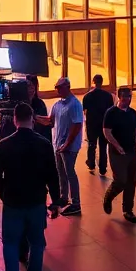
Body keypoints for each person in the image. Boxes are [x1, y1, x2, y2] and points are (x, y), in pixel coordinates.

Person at [0, 102, 60, 271]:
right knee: (37, 243)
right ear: (32, 118)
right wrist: (55, 201)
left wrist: (4, 193)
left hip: (13, 201)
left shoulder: (4, 145)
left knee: (11, 243)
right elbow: (52, 175)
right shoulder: (44, 144)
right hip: (37, 201)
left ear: (14, 119)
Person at [43, 77, 84, 216]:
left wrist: (67, 144)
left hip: (69, 147)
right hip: (58, 145)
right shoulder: (57, 105)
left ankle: (76, 203)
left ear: (67, 87)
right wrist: (34, 116)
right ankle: (63, 197)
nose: (58, 90)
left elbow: (77, 125)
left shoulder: (75, 104)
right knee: (61, 172)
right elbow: (50, 121)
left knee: (70, 173)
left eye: (60, 88)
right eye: (57, 88)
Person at [101, 86, 136, 223]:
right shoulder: (111, 113)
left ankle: (128, 210)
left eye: (130, 97)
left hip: (131, 151)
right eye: (125, 97)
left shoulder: (133, 113)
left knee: (132, 181)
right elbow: (107, 132)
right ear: (119, 97)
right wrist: (117, 145)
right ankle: (109, 196)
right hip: (117, 152)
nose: (128, 100)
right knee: (121, 180)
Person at [82, 74, 115, 176]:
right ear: (102, 82)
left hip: (92, 124)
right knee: (103, 146)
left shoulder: (87, 96)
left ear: (93, 82)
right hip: (104, 124)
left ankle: (91, 163)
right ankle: (103, 168)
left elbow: (84, 111)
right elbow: (111, 111)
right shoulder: (108, 96)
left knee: (91, 144)